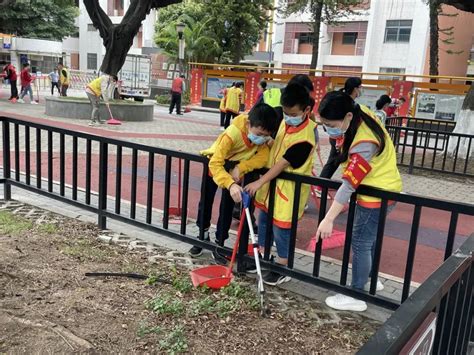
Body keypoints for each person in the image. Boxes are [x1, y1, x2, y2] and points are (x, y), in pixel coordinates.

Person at [316, 90, 402, 312]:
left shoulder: (365, 142)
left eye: (330, 124)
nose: (328, 129)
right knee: (369, 241)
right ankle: (371, 280)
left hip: (376, 194)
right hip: (386, 188)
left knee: (361, 242)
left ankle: (356, 294)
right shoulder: (358, 111)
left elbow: (349, 185)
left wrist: (328, 218)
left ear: (347, 117)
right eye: (324, 124)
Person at [245, 82, 316, 286]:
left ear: (306, 110)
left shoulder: (307, 137)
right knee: (264, 222)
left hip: (288, 192)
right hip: (272, 189)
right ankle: (266, 258)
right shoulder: (287, 121)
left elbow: (283, 163)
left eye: (291, 113)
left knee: (281, 230)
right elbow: (277, 143)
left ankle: (284, 267)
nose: (286, 117)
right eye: (284, 112)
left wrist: (260, 181)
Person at [189, 103, 279, 261]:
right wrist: (229, 184)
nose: (262, 139)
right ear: (248, 124)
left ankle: (219, 243)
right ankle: (202, 236)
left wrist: (241, 167)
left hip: (235, 170)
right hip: (216, 167)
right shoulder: (232, 134)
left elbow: (263, 158)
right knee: (206, 203)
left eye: (266, 135)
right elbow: (215, 163)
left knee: (227, 207)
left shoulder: (263, 140)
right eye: (259, 133)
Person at [318, 77, 363, 193]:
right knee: (334, 161)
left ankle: (323, 185)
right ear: (355, 89)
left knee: (336, 161)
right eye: (360, 87)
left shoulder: (351, 103)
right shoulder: (344, 102)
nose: (362, 90)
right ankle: (321, 186)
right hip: (339, 137)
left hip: (343, 137)